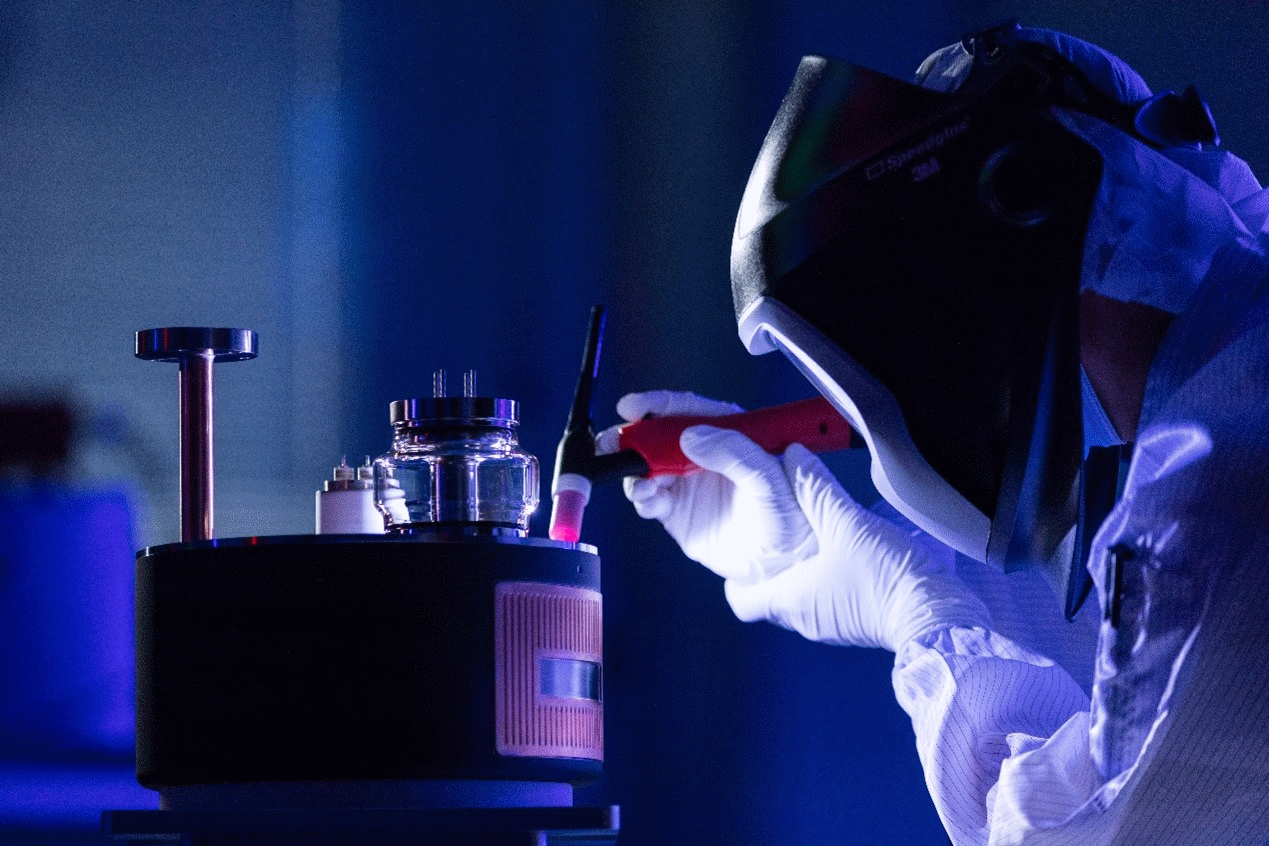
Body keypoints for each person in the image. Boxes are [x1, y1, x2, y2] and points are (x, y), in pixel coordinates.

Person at [600, 23, 1269, 846]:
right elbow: (1135, 677)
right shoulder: (1229, 392)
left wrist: (920, 614)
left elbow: (1086, 830)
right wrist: (933, 577)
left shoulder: (1217, 480)